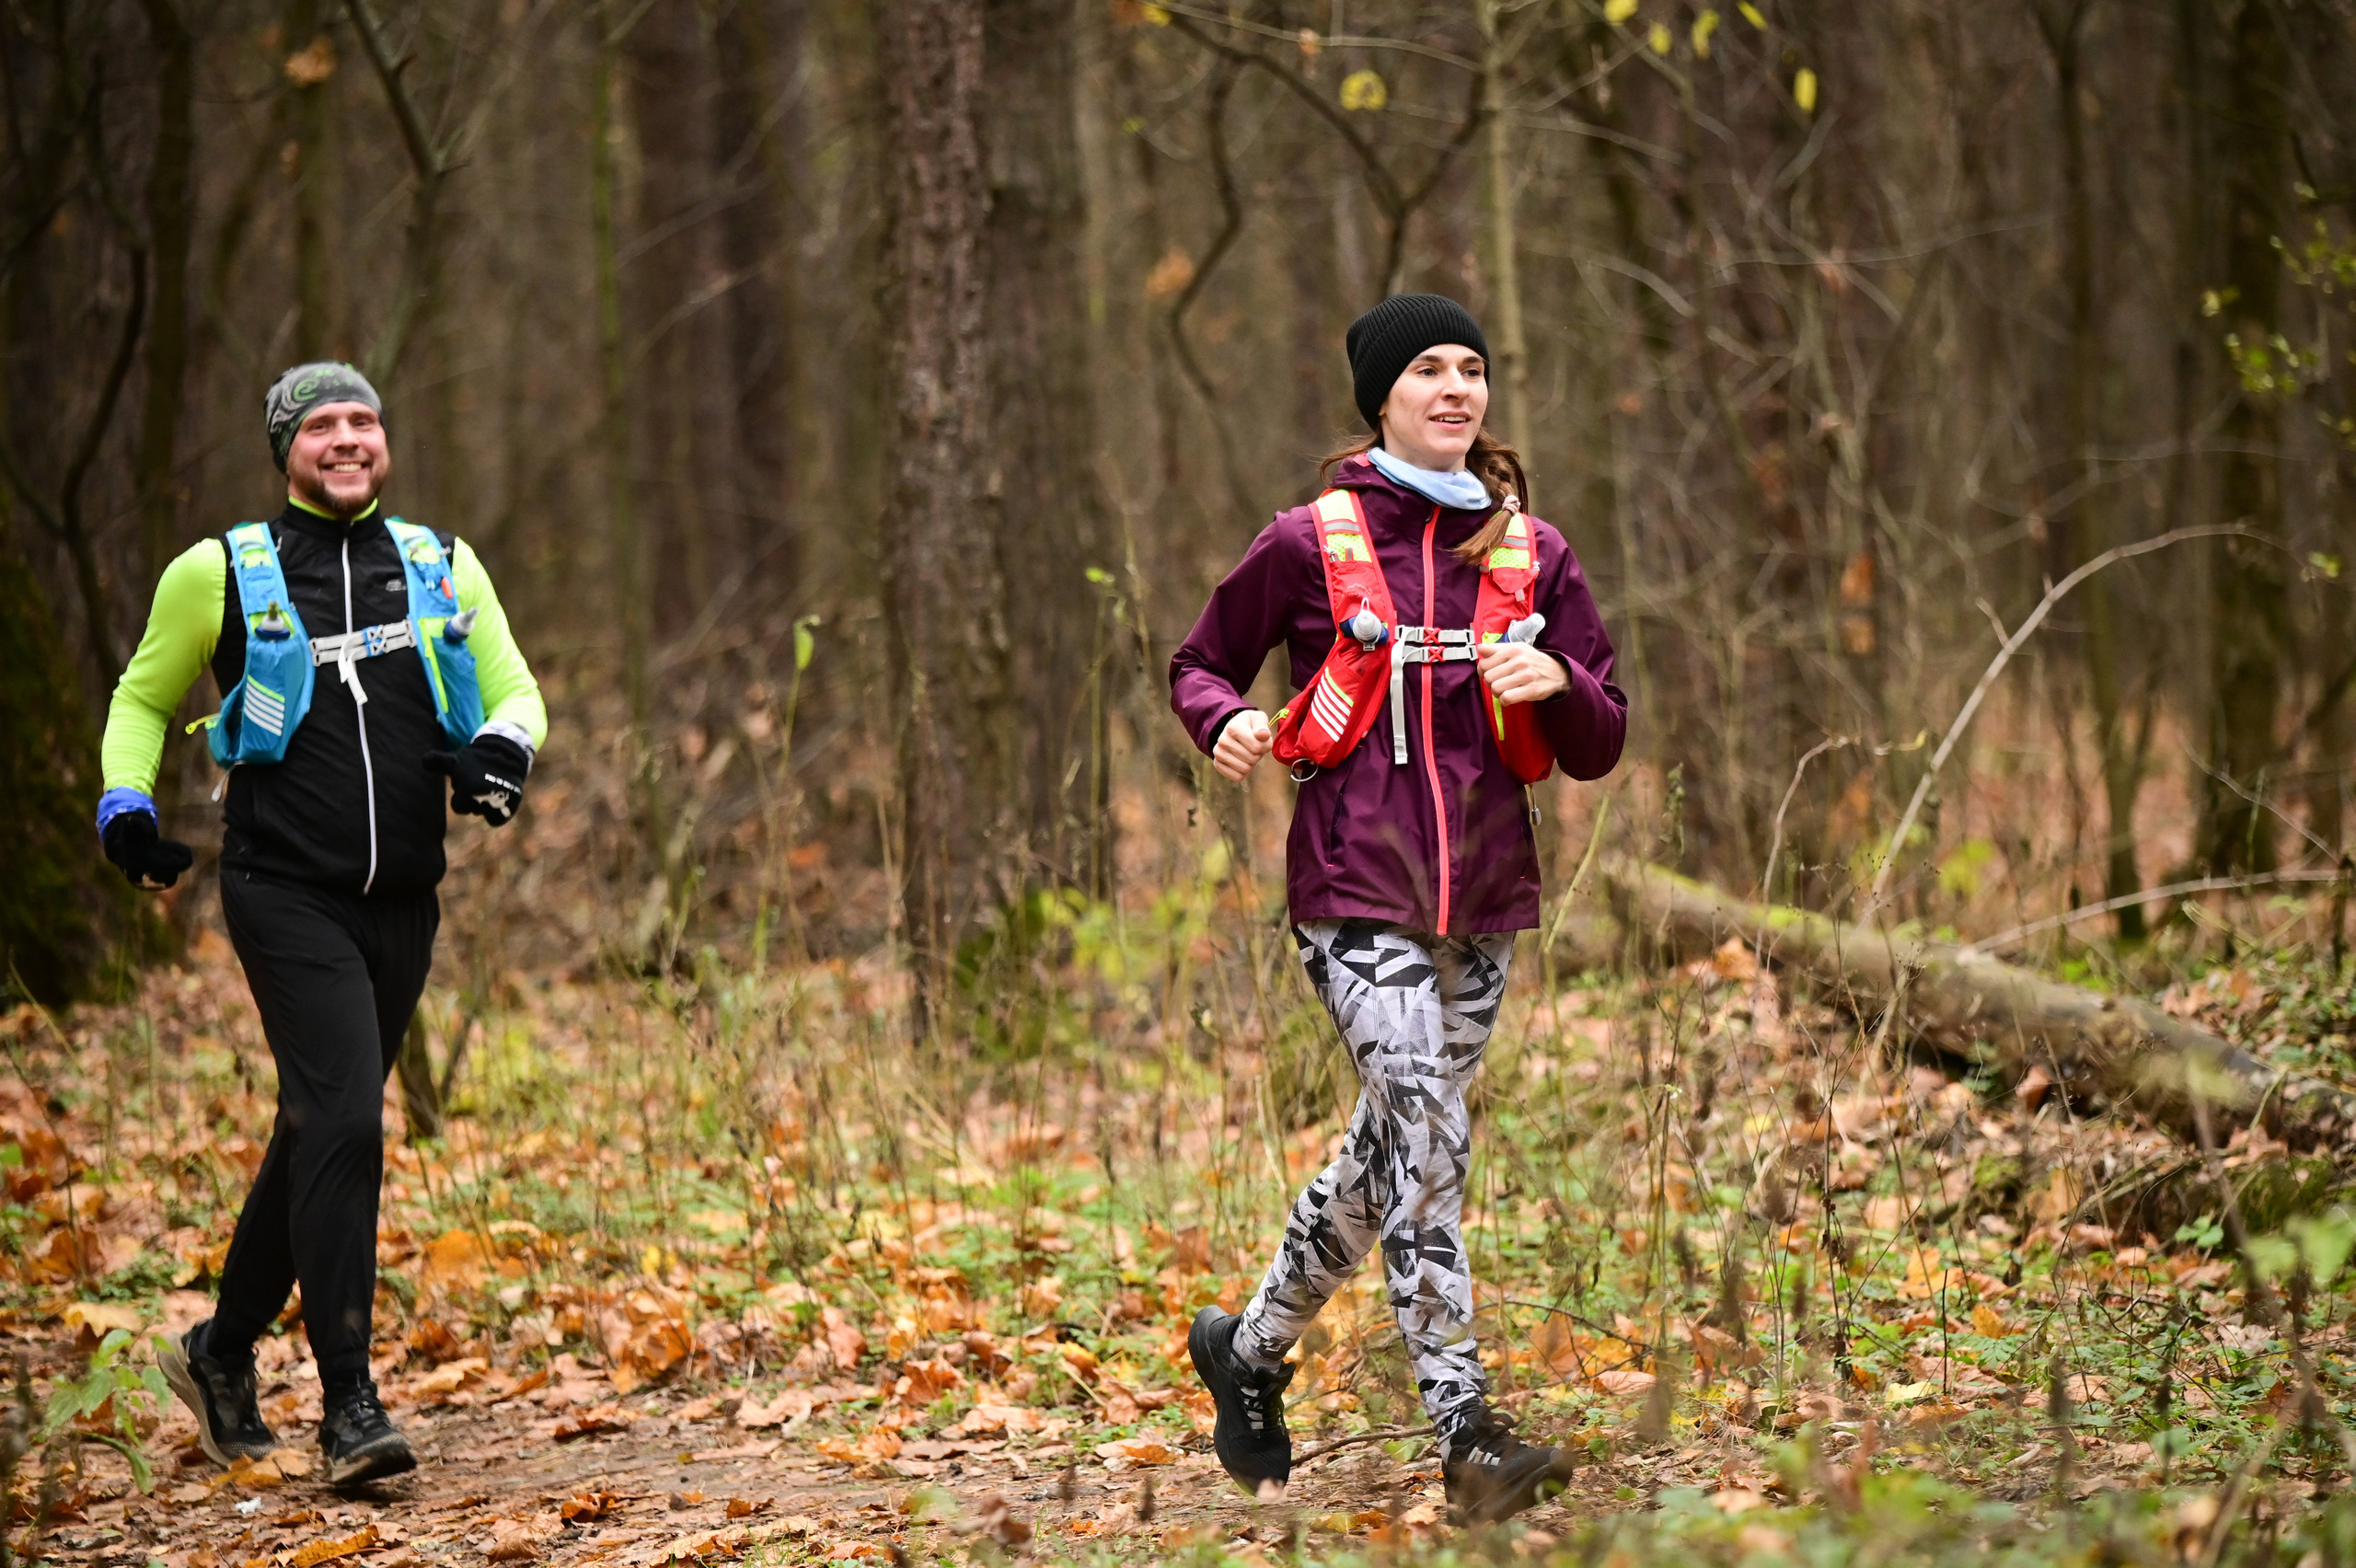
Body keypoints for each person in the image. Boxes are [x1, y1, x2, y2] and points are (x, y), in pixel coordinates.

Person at [1169, 294, 1627, 1525]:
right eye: (1429, 367)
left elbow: (1600, 735)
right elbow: (1198, 662)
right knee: (1428, 1129)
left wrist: (1560, 681)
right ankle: (1467, 1433)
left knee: (1389, 1151)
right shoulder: (1308, 541)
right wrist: (1229, 723)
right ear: (1382, 394)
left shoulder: (1536, 552)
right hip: (1351, 888)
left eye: (1473, 368)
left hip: (1484, 900)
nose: (1456, 386)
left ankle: (1249, 1351)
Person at [97, 363, 547, 1485]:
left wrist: (502, 754)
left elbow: (517, 694)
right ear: (286, 447)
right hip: (281, 888)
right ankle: (350, 1400)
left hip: (405, 898)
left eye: (365, 421)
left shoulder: (440, 563)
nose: (348, 439)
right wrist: (127, 806)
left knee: (318, 1128)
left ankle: (220, 1349)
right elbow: (142, 699)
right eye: (323, 426)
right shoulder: (221, 571)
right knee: (348, 1121)